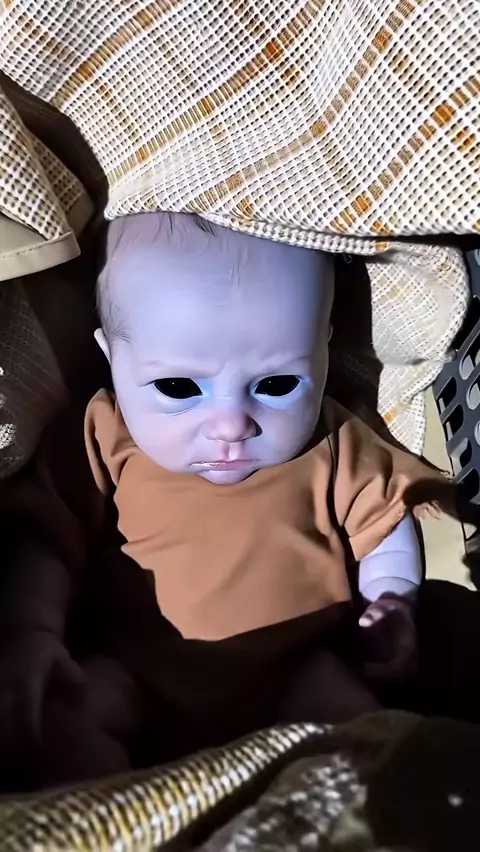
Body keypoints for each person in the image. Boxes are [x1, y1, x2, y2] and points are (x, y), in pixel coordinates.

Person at [0, 212, 450, 789]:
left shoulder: (333, 440)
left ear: (324, 348)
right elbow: (47, 543)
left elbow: (384, 520)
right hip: (134, 676)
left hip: (293, 675)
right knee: (65, 728)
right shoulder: (102, 436)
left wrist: (392, 598)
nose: (232, 425)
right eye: (179, 388)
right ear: (112, 359)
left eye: (276, 385)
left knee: (361, 735)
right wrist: (33, 630)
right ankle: (128, 818)